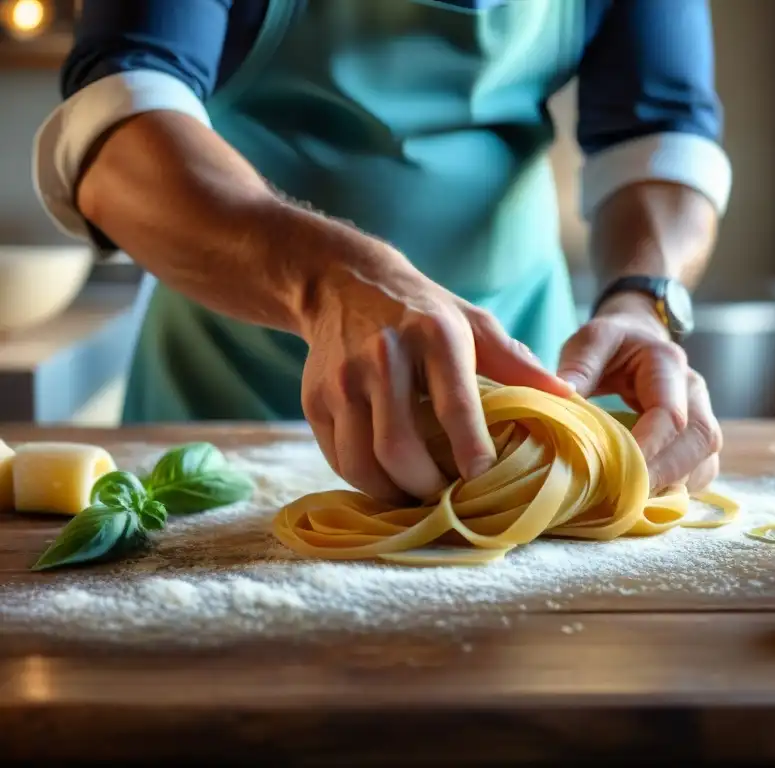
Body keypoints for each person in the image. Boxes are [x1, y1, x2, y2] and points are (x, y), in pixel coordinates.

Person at [34, 0, 731, 506]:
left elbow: (660, 136)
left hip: (530, 394)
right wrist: (327, 283)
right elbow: (116, 128)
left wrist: (645, 301)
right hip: (230, 394)